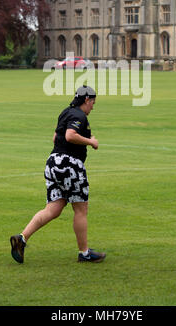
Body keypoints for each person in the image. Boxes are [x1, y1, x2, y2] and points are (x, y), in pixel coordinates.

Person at [10, 85, 106, 263]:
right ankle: (84, 253)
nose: (93, 106)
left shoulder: (65, 113)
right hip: (70, 165)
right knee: (81, 209)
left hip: (53, 162)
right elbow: (70, 135)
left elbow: (56, 138)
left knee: (53, 209)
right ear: (86, 100)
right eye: (93, 102)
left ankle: (21, 238)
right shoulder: (79, 116)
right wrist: (91, 142)